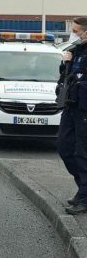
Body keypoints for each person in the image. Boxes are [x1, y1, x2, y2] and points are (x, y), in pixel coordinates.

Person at [57, 17, 87, 215]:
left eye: (77, 31)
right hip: (71, 106)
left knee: (82, 152)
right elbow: (66, 78)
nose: (74, 34)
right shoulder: (76, 51)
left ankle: (84, 196)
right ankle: (83, 188)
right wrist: (66, 64)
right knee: (64, 147)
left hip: (84, 109)